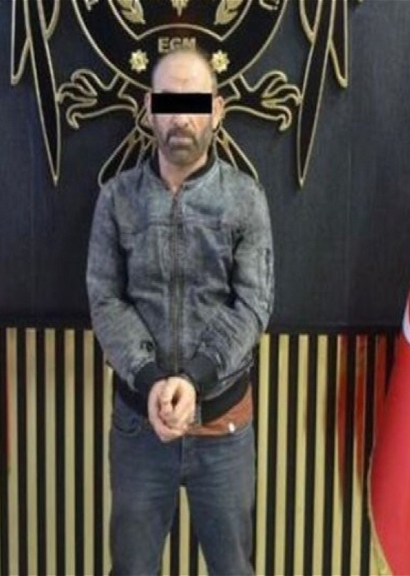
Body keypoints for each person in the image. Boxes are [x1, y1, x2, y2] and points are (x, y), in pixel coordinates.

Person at [86, 46, 274, 576]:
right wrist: (150, 380)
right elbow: (105, 299)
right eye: (169, 102)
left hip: (223, 428)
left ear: (217, 109)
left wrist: (195, 378)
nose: (181, 119)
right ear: (150, 109)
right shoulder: (117, 200)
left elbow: (253, 304)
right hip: (139, 428)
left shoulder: (245, 199)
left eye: (194, 103)